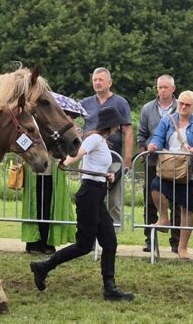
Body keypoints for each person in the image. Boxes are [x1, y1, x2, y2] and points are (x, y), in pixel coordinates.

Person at [30, 106, 135, 302]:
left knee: (110, 242)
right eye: (117, 123)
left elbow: (93, 165)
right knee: (84, 245)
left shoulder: (103, 142)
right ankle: (43, 267)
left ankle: (110, 287)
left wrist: (108, 175)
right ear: (112, 124)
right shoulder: (94, 139)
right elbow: (79, 153)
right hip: (89, 195)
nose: (120, 126)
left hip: (97, 193)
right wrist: (67, 162)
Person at [146, 90, 193, 260]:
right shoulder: (167, 119)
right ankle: (164, 218)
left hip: (191, 171)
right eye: (181, 103)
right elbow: (158, 138)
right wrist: (153, 145)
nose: (183, 107)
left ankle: (182, 248)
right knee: (155, 186)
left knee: (186, 208)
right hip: (169, 167)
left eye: (187, 104)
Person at [80, 68, 133, 231]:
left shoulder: (120, 102)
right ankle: (89, 234)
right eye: (95, 79)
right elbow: (69, 119)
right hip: (90, 160)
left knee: (114, 200)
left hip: (113, 159)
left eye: (101, 80)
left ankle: (113, 236)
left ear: (109, 83)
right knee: (90, 197)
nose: (97, 82)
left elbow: (128, 131)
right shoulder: (85, 103)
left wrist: (128, 159)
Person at [136, 75, 180, 252]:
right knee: (150, 200)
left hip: (176, 161)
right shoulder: (147, 108)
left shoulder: (181, 106)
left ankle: (176, 241)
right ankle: (150, 239)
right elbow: (141, 133)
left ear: (173, 89)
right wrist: (143, 152)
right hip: (153, 160)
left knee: (177, 200)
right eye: (159, 87)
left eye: (165, 87)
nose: (161, 90)